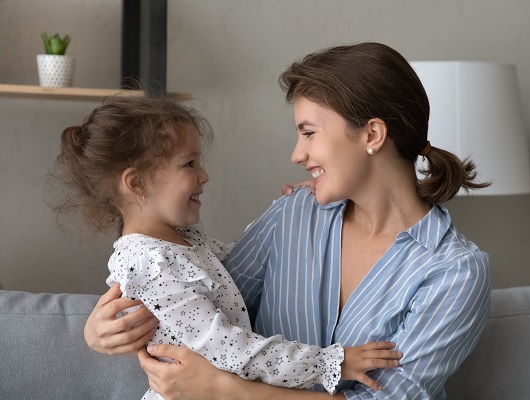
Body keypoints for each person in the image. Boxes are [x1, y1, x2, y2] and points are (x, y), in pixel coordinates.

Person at [84, 42, 492, 399]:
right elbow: (198, 294)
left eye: (309, 132)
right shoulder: (293, 214)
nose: (297, 154)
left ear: (372, 135)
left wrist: (228, 392)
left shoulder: (455, 272)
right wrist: (103, 329)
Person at [46, 96, 402, 400]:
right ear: (136, 183)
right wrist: (331, 363)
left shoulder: (184, 241)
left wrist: (287, 213)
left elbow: (242, 256)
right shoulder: (148, 263)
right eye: (189, 163)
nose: (204, 175)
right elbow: (233, 351)